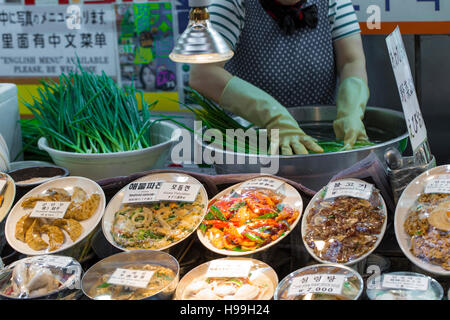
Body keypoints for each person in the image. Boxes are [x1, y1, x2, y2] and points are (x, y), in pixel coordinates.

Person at [189, 0, 369, 155]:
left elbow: (351, 61)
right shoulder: (234, 3)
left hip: (322, 141)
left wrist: (351, 111)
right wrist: (272, 115)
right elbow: (203, 73)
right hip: (253, 144)